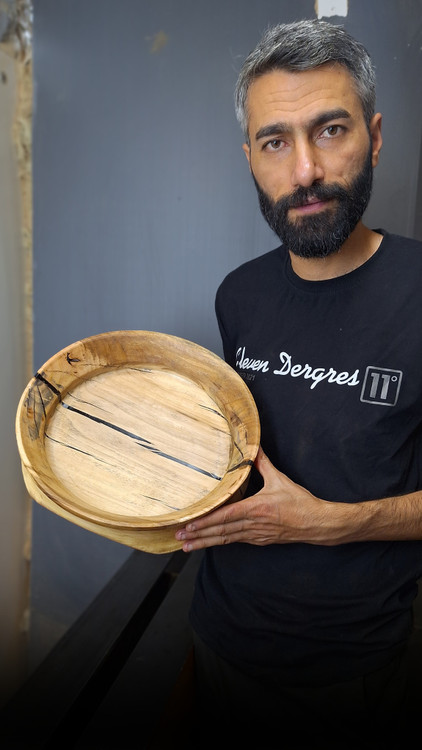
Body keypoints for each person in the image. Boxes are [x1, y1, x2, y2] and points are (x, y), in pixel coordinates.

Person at [175, 19, 422, 749]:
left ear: (375, 137)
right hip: (220, 639)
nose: (305, 171)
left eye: (331, 130)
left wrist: (329, 523)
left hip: (360, 670)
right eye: (275, 142)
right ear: (250, 158)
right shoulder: (238, 295)